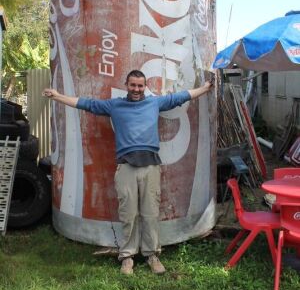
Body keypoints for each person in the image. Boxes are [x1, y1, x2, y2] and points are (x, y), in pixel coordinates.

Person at [43, 70, 213, 275]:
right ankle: (127, 257)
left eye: (140, 86)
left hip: (150, 167)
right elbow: (86, 103)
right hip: (126, 168)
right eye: (133, 85)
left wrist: (204, 88)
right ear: (126, 85)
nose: (136, 89)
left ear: (145, 87)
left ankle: (152, 255)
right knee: (128, 214)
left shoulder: (154, 103)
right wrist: (57, 95)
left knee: (150, 214)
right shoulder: (115, 105)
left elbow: (181, 97)